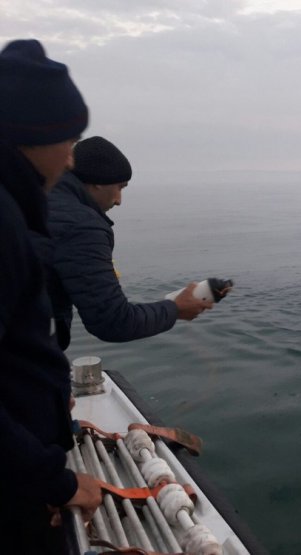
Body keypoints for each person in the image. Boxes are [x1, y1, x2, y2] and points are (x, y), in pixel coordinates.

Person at [0, 38, 102, 553]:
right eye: (68, 139)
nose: (70, 156)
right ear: (27, 138)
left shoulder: (17, 207)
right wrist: (53, 482)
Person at [35, 135, 212, 350]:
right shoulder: (82, 226)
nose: (119, 200)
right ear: (98, 183)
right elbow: (113, 321)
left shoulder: (33, 198)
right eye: (120, 187)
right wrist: (176, 309)